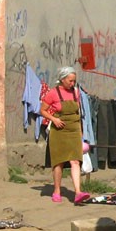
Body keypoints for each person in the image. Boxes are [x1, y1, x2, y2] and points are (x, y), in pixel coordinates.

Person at [41, 66, 89, 204]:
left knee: (75, 161)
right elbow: (42, 110)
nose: (72, 83)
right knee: (59, 162)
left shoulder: (76, 92)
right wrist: (54, 119)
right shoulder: (53, 93)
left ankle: (78, 192)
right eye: (70, 81)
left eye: (74, 81)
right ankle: (56, 190)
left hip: (73, 129)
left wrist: (80, 132)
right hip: (59, 131)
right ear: (62, 79)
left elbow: (78, 113)